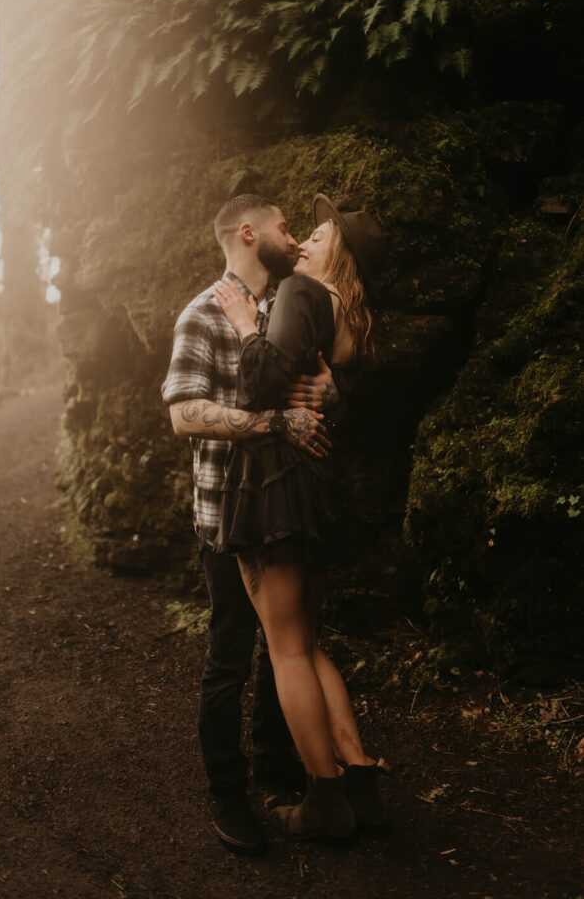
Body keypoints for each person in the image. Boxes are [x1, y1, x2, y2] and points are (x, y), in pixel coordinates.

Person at [161, 194, 348, 855]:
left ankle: (278, 777)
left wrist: (328, 395)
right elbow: (184, 414)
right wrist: (275, 423)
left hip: (280, 510)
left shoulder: (281, 310)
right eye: (282, 226)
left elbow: (317, 384)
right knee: (229, 656)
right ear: (248, 232)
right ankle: (229, 794)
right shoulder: (204, 313)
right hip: (224, 517)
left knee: (284, 649)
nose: (293, 239)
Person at [212, 192, 388, 841]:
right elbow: (334, 387)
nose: (305, 243)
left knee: (285, 649)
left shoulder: (302, 295)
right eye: (303, 232)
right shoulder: (350, 316)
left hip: (276, 482)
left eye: (317, 234)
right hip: (317, 486)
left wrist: (241, 324)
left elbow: (262, 382)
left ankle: (325, 800)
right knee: (307, 644)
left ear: (337, 252)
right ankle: (360, 779)